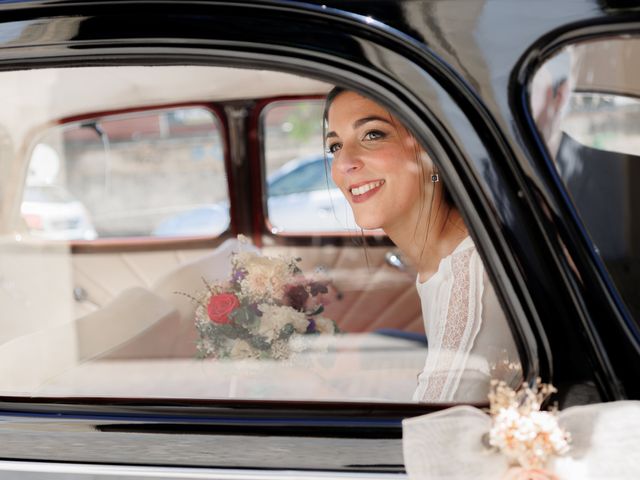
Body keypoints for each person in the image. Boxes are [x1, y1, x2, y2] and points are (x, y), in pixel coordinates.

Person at [324, 88, 522, 402]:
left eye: (373, 134)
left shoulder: (473, 276)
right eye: (335, 146)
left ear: (435, 149)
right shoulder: (445, 262)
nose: (343, 163)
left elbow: (438, 431)